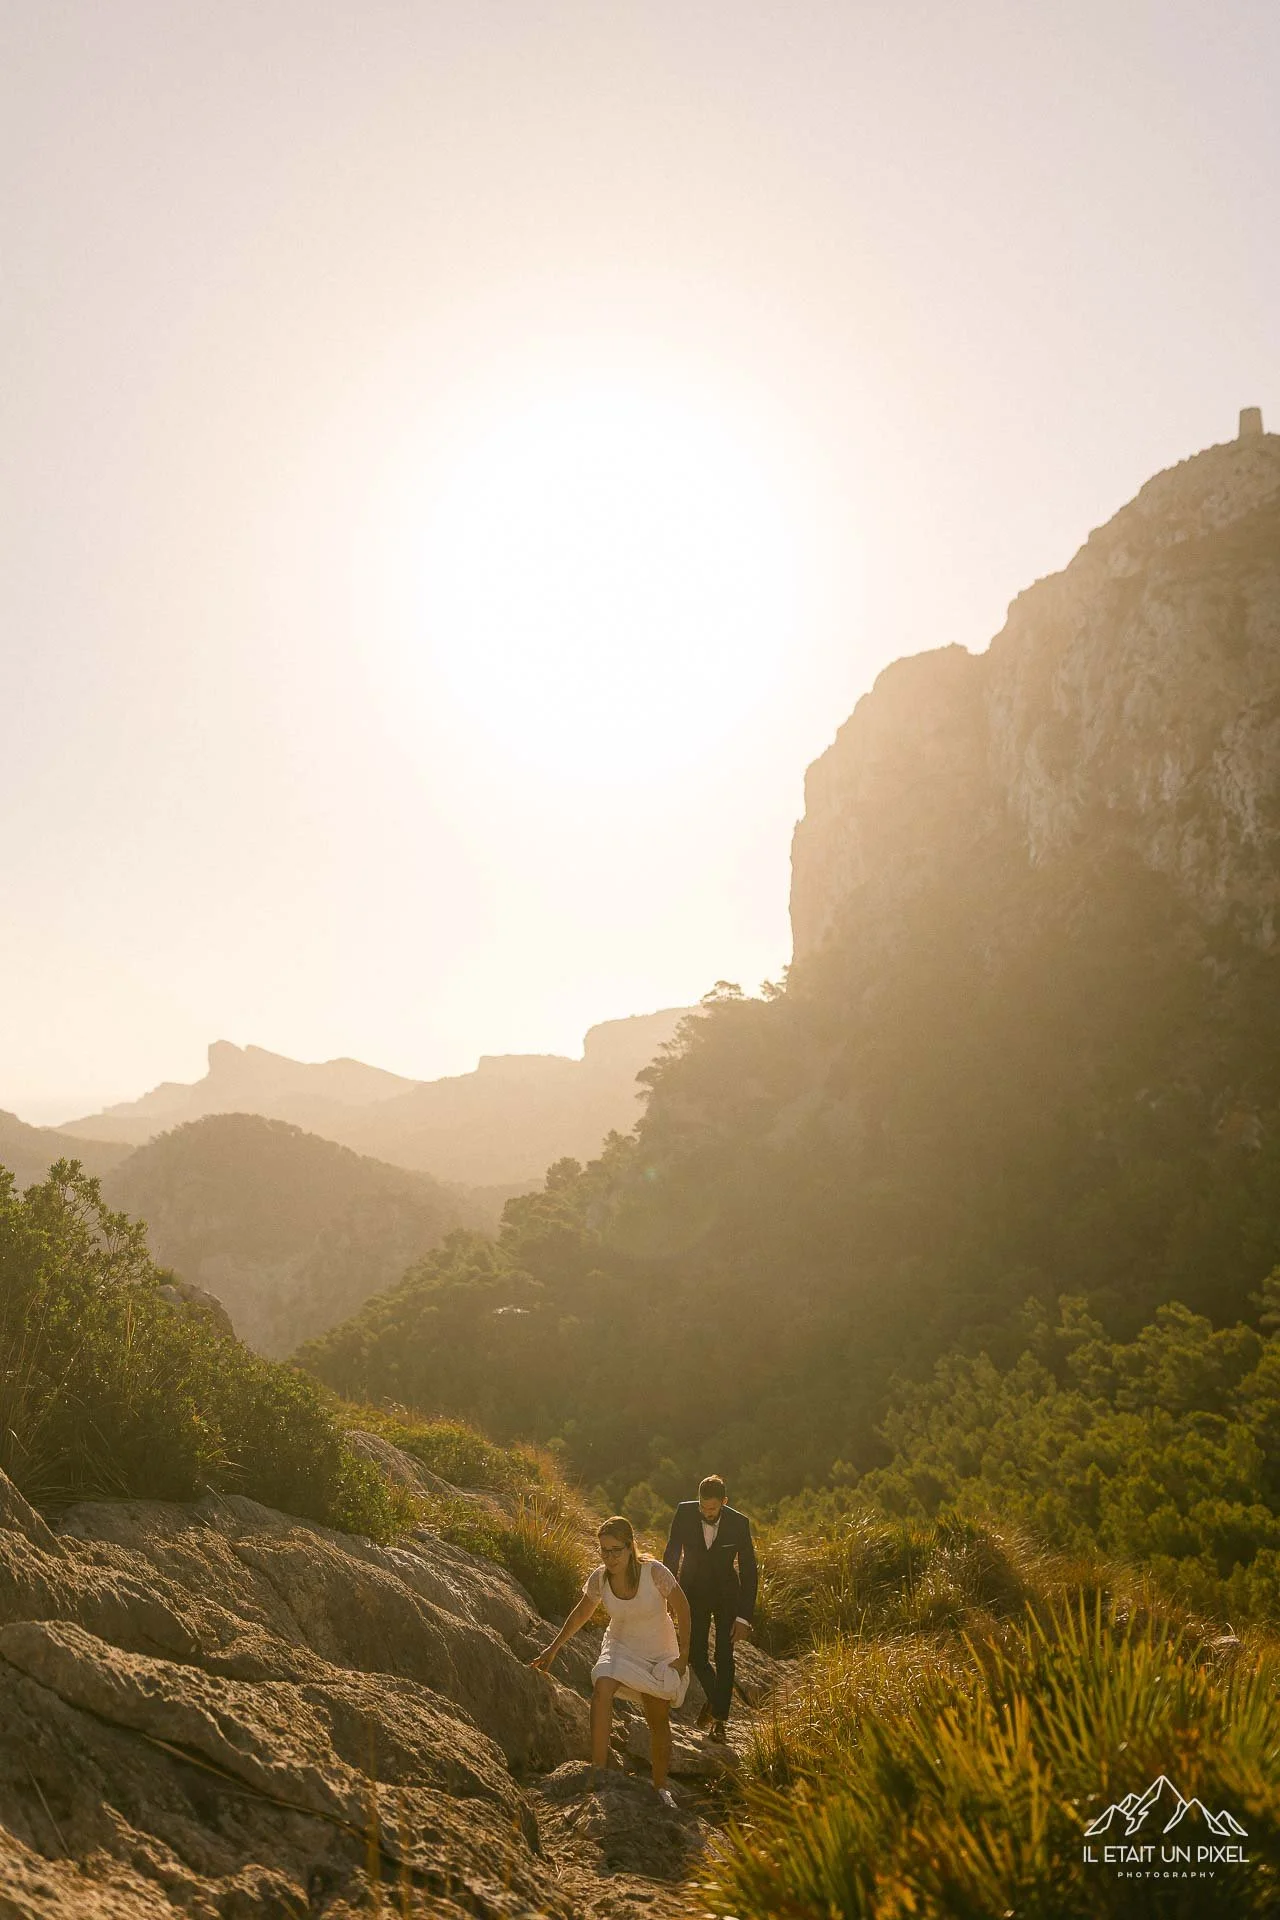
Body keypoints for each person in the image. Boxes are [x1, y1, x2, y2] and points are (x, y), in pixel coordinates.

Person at [530, 1515, 692, 1804]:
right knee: (602, 1686)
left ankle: (660, 1787)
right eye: (604, 1550)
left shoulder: (654, 1573)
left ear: (630, 1547)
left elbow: (684, 1609)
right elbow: (581, 1613)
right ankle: (598, 1771)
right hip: (620, 1645)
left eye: (615, 1550)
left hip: (658, 1650)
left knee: (657, 1717)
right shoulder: (600, 1578)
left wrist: (682, 1658)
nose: (609, 1557)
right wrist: (553, 1648)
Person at [662, 1475, 757, 1743]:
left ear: (724, 1502)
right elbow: (671, 1553)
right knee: (696, 1655)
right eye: (703, 1507)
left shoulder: (740, 1523)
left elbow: (749, 1571)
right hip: (693, 1593)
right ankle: (717, 1699)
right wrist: (668, 1594)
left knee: (724, 1656)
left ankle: (720, 1721)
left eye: (712, 1509)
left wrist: (743, 1616)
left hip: (728, 1597)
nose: (706, 1512)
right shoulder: (684, 1512)